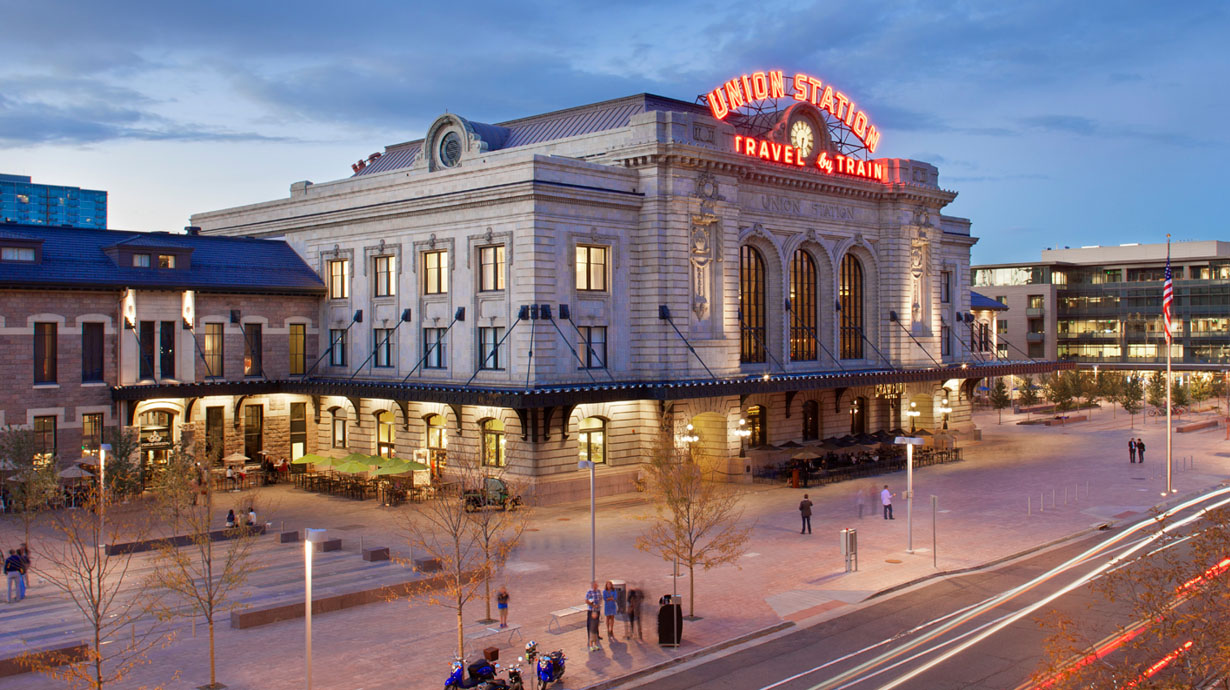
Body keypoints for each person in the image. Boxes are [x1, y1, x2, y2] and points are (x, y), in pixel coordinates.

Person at [585, 580, 603, 651]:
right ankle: (590, 639)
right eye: (595, 585)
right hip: (591, 610)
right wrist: (593, 605)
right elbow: (586, 600)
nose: (596, 586)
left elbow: (600, 598)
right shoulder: (589, 592)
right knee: (590, 625)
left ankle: (596, 637)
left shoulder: (598, 591)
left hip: (597, 610)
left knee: (596, 624)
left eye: (597, 585)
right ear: (592, 585)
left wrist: (598, 605)